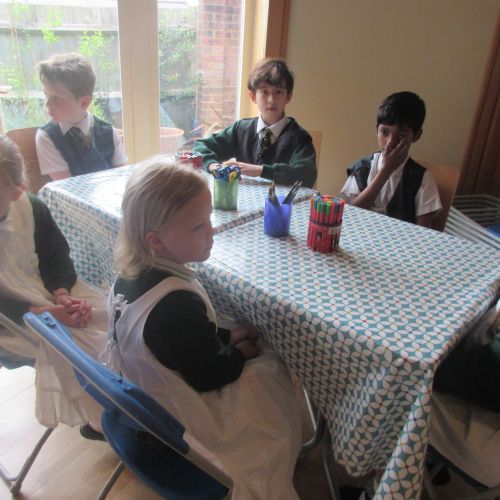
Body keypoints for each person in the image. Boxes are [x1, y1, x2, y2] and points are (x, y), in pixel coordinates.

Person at [107, 157, 304, 499]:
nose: (212, 231)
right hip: (176, 413)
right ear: (156, 241)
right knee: (272, 372)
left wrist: (224, 335)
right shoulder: (175, 303)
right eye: (198, 226)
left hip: (143, 391)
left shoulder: (132, 275)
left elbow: (178, 342)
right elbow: (208, 374)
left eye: (209, 220)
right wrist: (238, 353)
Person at [0, 134, 107, 436]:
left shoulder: (32, 208)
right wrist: (45, 314)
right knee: (79, 346)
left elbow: (56, 257)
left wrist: (62, 294)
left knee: (112, 318)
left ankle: (118, 403)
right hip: (8, 320)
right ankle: (100, 417)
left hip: (43, 295)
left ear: (17, 191)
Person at [193, 58, 317, 187]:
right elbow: (200, 147)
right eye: (264, 92)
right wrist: (214, 166)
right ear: (253, 96)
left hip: (282, 200)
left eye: (278, 92)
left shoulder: (300, 138)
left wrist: (260, 170)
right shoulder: (241, 129)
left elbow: (307, 174)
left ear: (288, 96)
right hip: (243, 199)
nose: (271, 100)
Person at [339, 91, 442, 227]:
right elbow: (351, 213)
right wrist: (386, 170)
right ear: (377, 130)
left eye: (401, 135)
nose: (390, 142)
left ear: (416, 136)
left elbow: (424, 231)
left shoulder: (423, 180)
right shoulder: (362, 169)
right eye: (385, 132)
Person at [35, 53, 127, 180]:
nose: (47, 104)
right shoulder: (47, 137)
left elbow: (123, 176)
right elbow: (66, 186)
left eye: (57, 98)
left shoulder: (108, 132)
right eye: (46, 95)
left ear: (84, 102)